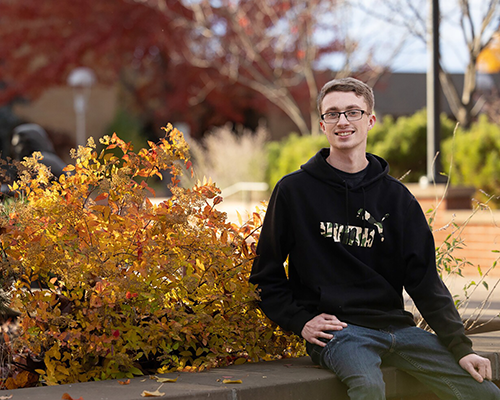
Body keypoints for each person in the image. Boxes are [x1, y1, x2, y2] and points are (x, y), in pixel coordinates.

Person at [249, 77, 500, 399]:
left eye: (353, 112)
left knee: (484, 392)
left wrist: (461, 347)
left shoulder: (397, 198)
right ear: (322, 125)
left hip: (400, 330)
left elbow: (425, 281)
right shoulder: (294, 191)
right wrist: (302, 322)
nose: (342, 121)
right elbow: (264, 275)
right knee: (368, 386)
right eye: (332, 114)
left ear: (370, 120)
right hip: (341, 333)